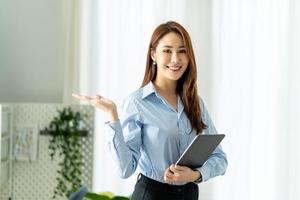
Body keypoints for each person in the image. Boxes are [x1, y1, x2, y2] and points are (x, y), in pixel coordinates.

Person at [72, 21, 227, 200]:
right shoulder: (137, 103)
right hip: (152, 194)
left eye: (182, 51)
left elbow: (220, 160)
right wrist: (112, 115)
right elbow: (125, 169)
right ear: (153, 54)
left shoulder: (195, 102)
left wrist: (193, 175)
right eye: (167, 51)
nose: (175, 59)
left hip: (190, 194)